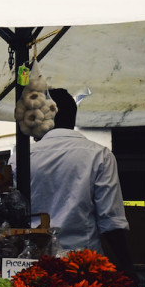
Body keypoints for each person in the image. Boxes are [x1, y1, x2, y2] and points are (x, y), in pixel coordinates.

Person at [29, 88, 132, 271]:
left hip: (32, 264)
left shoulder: (21, 158)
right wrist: (127, 267)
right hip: (83, 265)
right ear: (73, 117)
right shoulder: (99, 155)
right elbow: (111, 221)